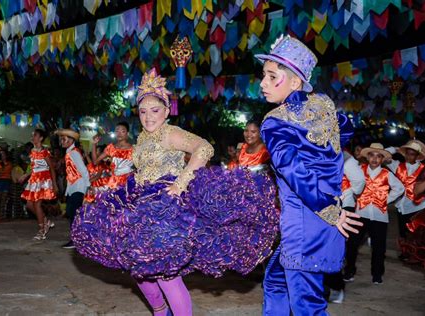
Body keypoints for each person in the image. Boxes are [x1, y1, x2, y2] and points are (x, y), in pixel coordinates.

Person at [72, 69, 279, 315]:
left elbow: (204, 148)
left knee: (165, 275)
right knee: (141, 272)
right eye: (143, 111)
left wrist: (181, 182)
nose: (148, 116)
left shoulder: (170, 133)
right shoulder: (143, 138)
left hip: (165, 206)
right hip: (140, 203)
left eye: (155, 110)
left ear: (167, 111)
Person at [255, 35, 362, 315]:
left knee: (308, 306)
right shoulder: (324, 106)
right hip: (319, 222)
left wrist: (330, 211)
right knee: (276, 284)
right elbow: (346, 130)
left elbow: (294, 171)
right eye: (263, 76)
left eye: (271, 76)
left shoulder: (274, 121)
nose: (262, 83)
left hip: (305, 223)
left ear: (294, 82)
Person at [344, 143, 404, 284]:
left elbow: (400, 188)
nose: (375, 159)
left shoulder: (386, 174)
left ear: (382, 159)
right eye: (372, 155)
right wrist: (353, 196)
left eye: (379, 156)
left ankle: (377, 274)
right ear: (367, 157)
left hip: (379, 216)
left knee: (379, 248)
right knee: (352, 244)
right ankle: (349, 271)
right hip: (360, 213)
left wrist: (385, 199)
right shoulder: (359, 170)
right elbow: (349, 183)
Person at [325, 149, 365, 303]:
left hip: (341, 208)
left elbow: (359, 182)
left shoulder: (345, 157)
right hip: (320, 206)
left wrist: (347, 195)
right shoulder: (314, 150)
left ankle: (336, 286)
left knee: (332, 249)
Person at [386, 140, 425, 260]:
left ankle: (417, 256)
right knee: (403, 232)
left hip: (417, 205)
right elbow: (383, 156)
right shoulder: (397, 165)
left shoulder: (424, 168)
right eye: (407, 153)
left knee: (416, 233)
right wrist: (394, 148)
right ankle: (405, 253)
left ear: (417, 156)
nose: (409, 156)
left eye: (412, 154)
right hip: (401, 205)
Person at [20, 129, 58, 240]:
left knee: (37, 204)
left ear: (41, 138)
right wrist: (25, 176)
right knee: (29, 205)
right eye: (32, 135)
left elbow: (51, 168)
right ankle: (45, 221)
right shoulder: (32, 151)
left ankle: (42, 231)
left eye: (35, 135)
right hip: (34, 179)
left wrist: (54, 185)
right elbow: (33, 168)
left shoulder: (44, 152)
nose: (32, 137)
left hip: (43, 180)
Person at [56, 128, 89, 249]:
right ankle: (77, 239)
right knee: (72, 213)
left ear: (71, 140)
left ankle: (75, 240)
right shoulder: (70, 152)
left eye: (64, 139)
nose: (62, 141)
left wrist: (87, 187)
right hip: (74, 187)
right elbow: (71, 174)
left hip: (78, 187)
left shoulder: (74, 153)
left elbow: (83, 171)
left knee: (73, 214)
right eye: (61, 139)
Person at [91, 121, 134, 190]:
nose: (119, 134)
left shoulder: (133, 149)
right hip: (114, 183)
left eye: (122, 131)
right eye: (117, 131)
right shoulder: (110, 148)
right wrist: (94, 144)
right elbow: (95, 162)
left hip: (128, 183)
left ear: (127, 133)